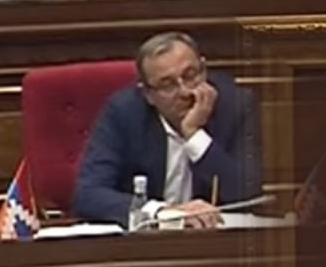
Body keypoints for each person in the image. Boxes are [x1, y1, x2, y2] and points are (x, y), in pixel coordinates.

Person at [74, 31, 263, 229]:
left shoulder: (236, 106)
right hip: (147, 242)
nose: (185, 92)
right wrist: (162, 212)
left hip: (215, 238)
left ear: (204, 69)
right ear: (148, 94)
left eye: (191, 76)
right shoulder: (124, 113)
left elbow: (248, 192)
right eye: (168, 85)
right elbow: (88, 195)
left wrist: (194, 135)